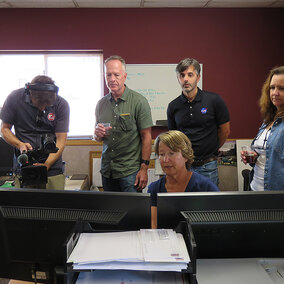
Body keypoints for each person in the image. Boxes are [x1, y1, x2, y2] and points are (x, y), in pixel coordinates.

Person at [94, 55, 153, 192]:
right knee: (111, 212)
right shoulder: (101, 104)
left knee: (133, 212)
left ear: (124, 76)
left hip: (130, 172)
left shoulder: (139, 102)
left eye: (116, 74)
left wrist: (144, 168)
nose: (112, 79)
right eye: (108, 75)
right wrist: (97, 134)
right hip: (107, 171)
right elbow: (98, 137)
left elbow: (147, 136)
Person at [167, 58, 230, 185]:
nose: (185, 79)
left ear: (198, 77)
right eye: (182, 75)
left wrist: (211, 149)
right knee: (184, 204)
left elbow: (225, 130)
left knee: (209, 204)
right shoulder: (173, 106)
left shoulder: (214, 100)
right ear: (178, 78)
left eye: (190, 75)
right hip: (183, 166)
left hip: (208, 166)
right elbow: (173, 139)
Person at [0, 75, 70, 189]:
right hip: (24, 167)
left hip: (52, 169)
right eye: (39, 104)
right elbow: (4, 129)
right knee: (25, 205)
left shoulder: (61, 104)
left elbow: (61, 139)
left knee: (54, 205)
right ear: (30, 94)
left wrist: (46, 165)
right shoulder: (15, 98)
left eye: (46, 105)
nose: (43, 109)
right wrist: (20, 144)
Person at [148, 130, 219, 229]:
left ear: (185, 156)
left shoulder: (206, 187)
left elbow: (216, 226)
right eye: (162, 154)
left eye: (171, 153)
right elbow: (153, 227)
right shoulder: (154, 188)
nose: (165, 160)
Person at [241, 66, 284, 191]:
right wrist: (254, 157)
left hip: (276, 197)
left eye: (282, 88)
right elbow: (269, 157)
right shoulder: (268, 120)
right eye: (272, 87)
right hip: (255, 188)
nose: (275, 93)